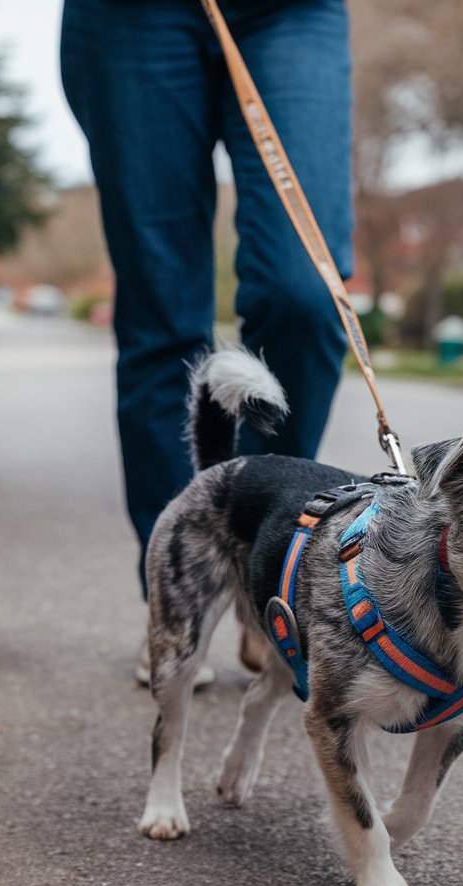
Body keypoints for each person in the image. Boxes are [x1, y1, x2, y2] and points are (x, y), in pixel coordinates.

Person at [60, 0, 353, 679]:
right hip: (129, 20)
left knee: (303, 295)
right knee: (162, 320)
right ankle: (178, 601)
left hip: (290, 13)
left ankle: (267, 569)